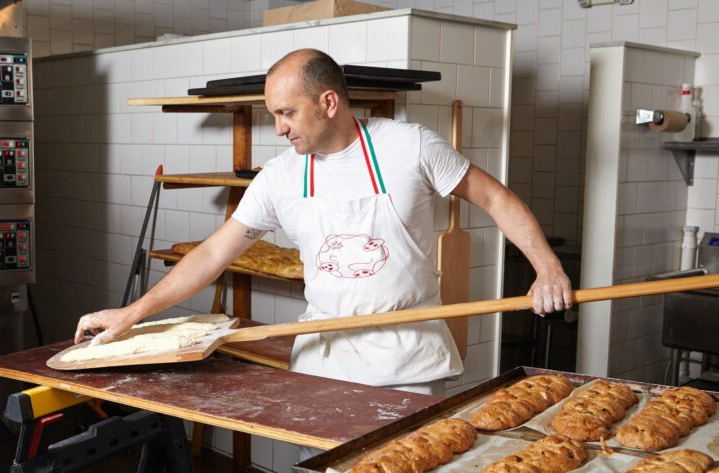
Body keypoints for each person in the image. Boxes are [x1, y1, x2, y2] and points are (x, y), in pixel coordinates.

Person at [74, 48, 571, 397]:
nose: (280, 127)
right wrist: (133, 314)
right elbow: (210, 255)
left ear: (328, 102)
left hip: (407, 358)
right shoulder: (280, 176)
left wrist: (546, 268)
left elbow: (496, 197)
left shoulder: (410, 146)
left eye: (287, 112)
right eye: (274, 114)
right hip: (323, 358)